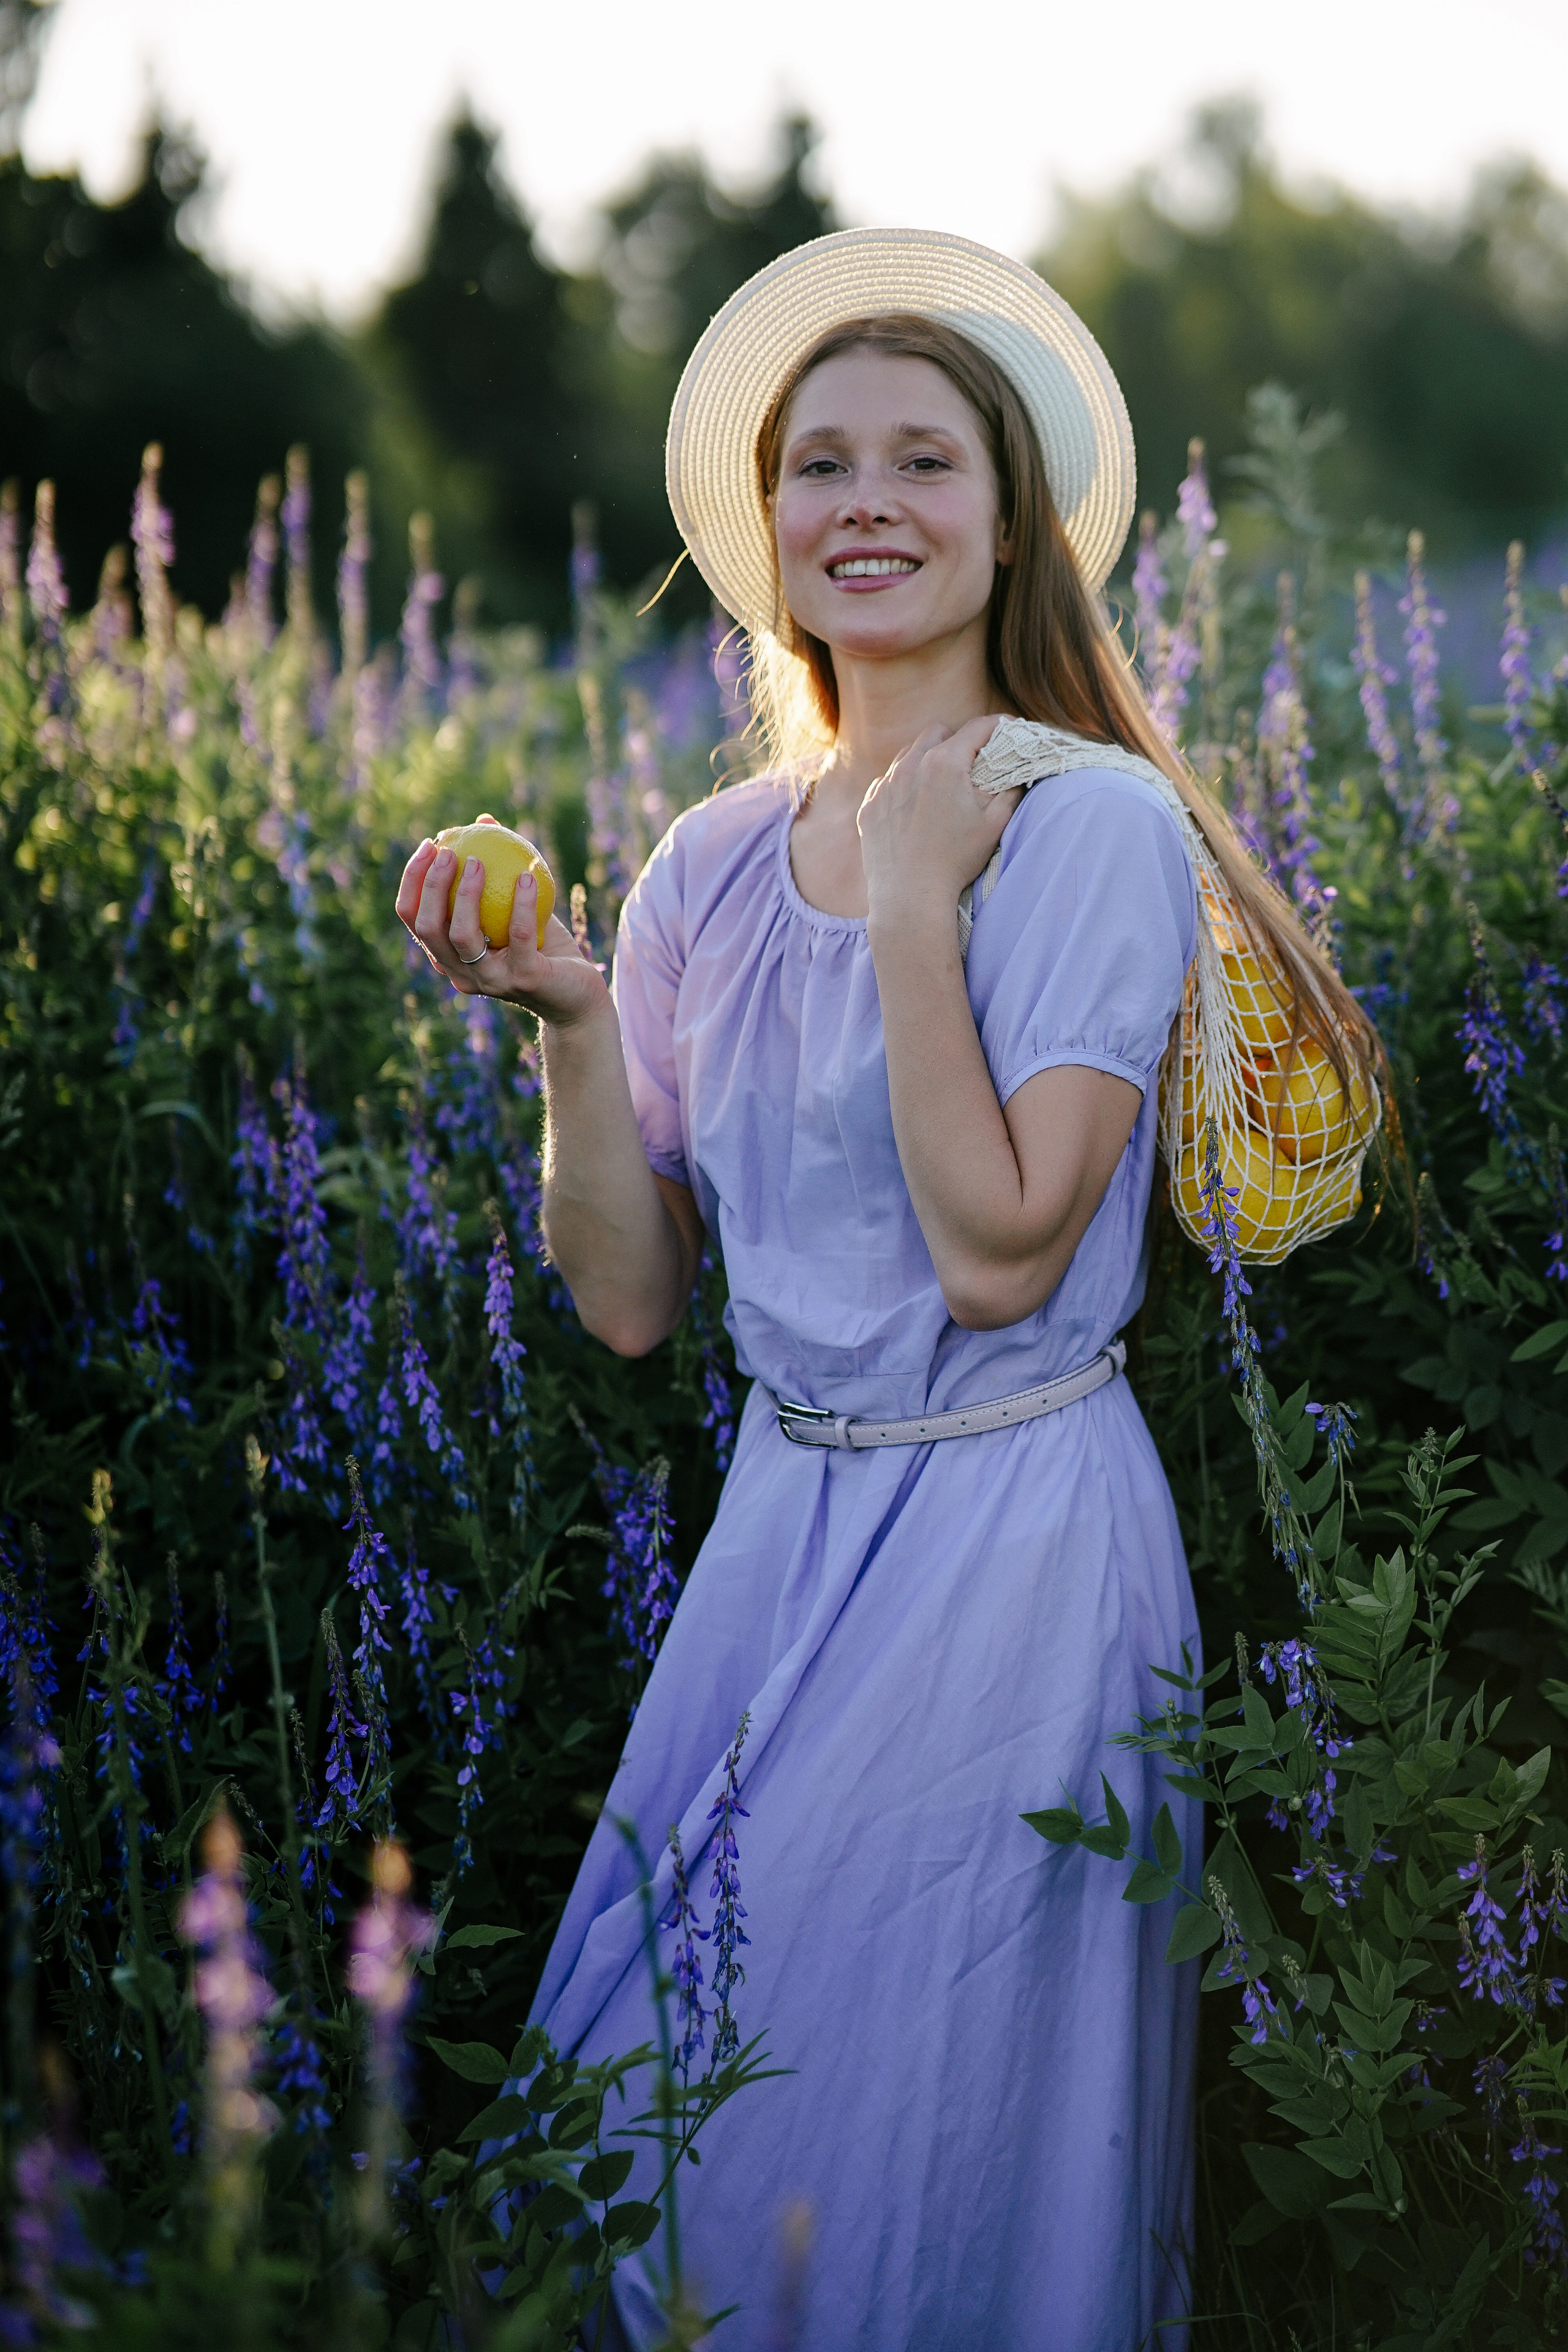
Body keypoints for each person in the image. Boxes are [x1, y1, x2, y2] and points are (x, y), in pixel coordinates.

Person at [396, 229, 1381, 2351]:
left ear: (1011, 517)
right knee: (671, 2131)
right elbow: (638, 1305)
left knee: (927, 2142)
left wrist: (922, 908)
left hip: (1015, 1537)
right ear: (766, 530)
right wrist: (574, 1020)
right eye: (819, 462)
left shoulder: (1091, 824)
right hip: (785, 1532)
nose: (867, 502)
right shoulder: (707, 866)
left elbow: (1004, 1239)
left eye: (922, 460)